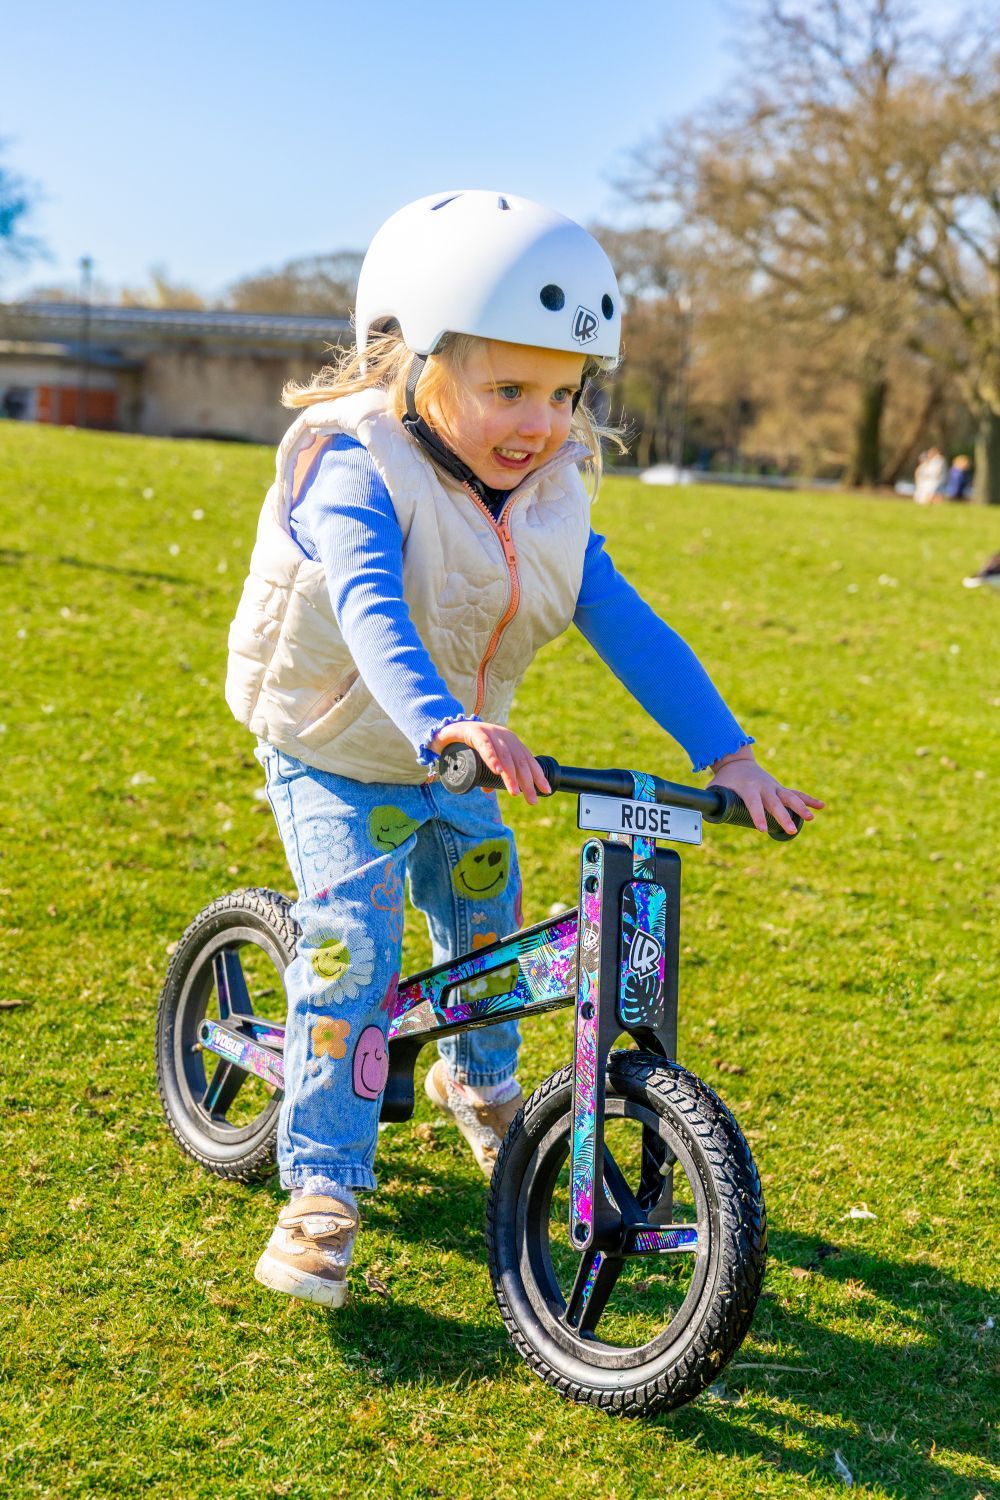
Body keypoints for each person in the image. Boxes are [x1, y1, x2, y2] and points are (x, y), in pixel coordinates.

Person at [225, 190, 824, 1309]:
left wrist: (729, 754)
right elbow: (367, 602)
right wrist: (438, 720)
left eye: (563, 392)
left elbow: (631, 627)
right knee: (352, 946)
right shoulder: (350, 461)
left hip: (456, 759)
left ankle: (480, 1087)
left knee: (485, 916)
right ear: (410, 358)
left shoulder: (550, 491)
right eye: (507, 388)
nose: (539, 422)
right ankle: (321, 1187)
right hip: (338, 745)